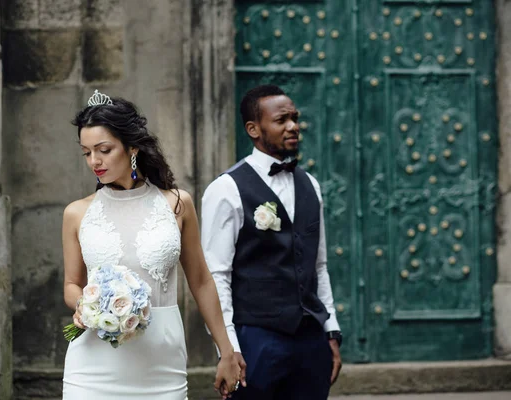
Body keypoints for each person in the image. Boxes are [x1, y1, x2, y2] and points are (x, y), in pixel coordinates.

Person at [62, 90, 240, 399]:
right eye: (86, 152)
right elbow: (71, 284)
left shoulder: (177, 204)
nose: (94, 161)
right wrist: (84, 306)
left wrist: (226, 350)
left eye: (104, 149)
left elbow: (200, 281)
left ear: (132, 148)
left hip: (161, 363)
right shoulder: (77, 213)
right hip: (92, 363)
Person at [201, 85, 343, 400]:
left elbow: (318, 265)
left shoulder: (311, 185)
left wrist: (331, 333)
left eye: (295, 118)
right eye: (282, 120)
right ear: (253, 129)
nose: (293, 126)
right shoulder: (226, 189)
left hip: (310, 341)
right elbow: (216, 276)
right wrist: (228, 348)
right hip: (256, 340)